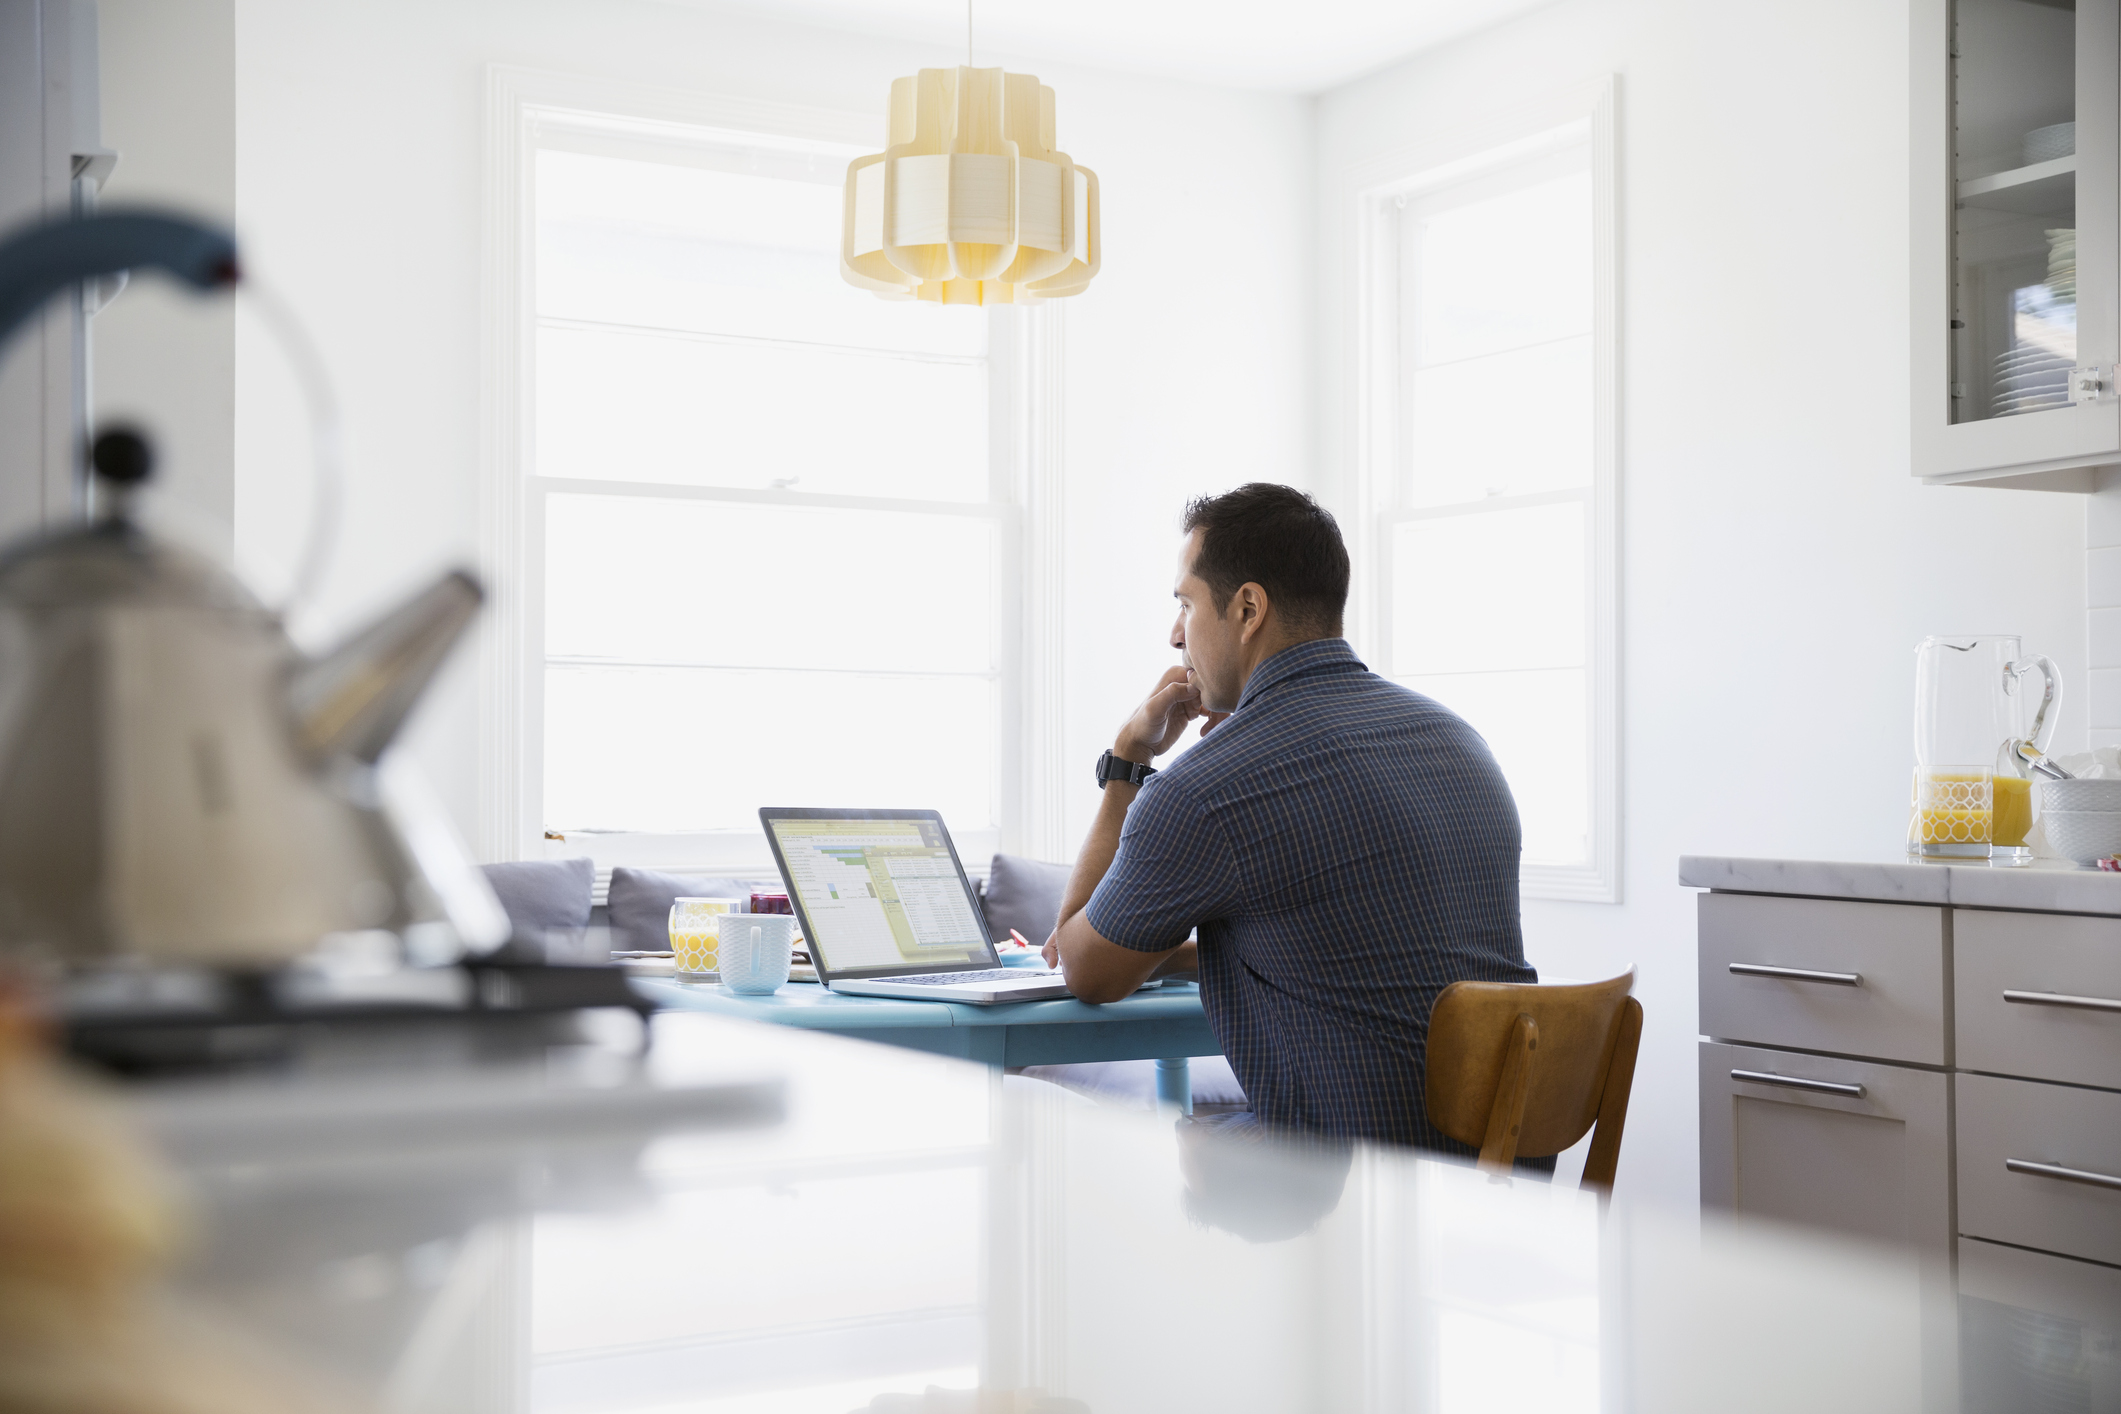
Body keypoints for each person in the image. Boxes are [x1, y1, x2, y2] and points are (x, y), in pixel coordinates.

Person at [1041, 482, 1535, 1153]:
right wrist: (1195, 957)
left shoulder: (1205, 789)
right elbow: (1357, 956)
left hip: (1345, 1191)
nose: (1174, 634)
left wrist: (1128, 761)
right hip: (1494, 1179)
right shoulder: (1457, 741)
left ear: (1246, 607)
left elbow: (1082, 969)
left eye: (1185, 603)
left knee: (1076, 1145)